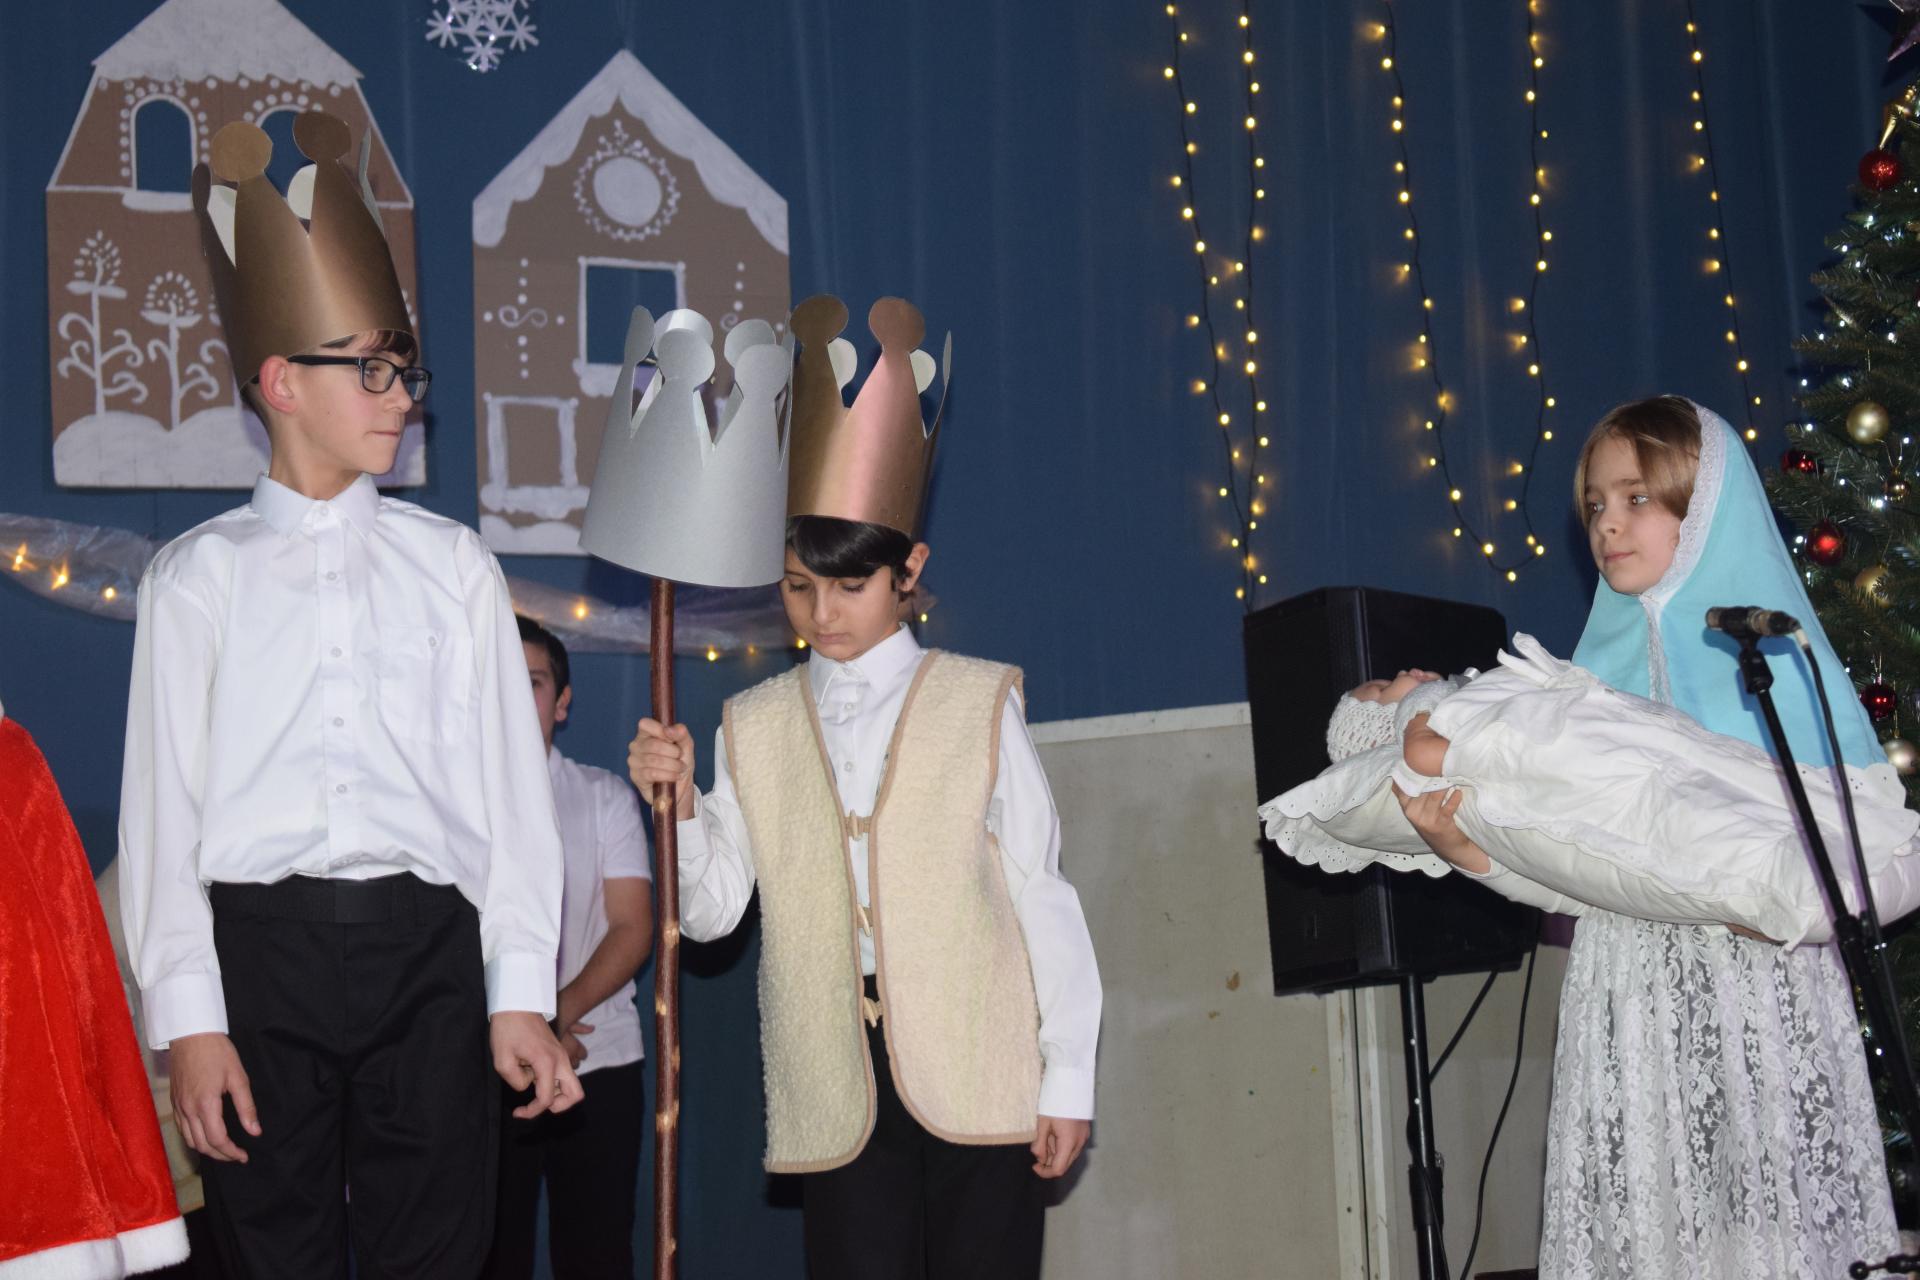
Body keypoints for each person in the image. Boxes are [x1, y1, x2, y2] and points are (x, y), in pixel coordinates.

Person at [117, 110, 577, 1280]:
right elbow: (163, 815)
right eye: (370, 368)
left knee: (441, 1246)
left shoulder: (453, 564)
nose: (399, 394)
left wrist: (519, 989)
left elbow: (509, 798)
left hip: (428, 952)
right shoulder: (196, 577)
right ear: (281, 380)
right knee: (275, 1249)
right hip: (259, 954)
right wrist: (191, 1020)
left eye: (403, 369)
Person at [628, 295, 1102, 1280]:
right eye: (800, 586)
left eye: (850, 585)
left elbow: (1041, 890)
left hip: (980, 1060)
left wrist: (1069, 1075)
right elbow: (712, 917)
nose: (823, 611)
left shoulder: (978, 701)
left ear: (908, 570)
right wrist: (679, 809)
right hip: (833, 1079)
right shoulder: (753, 722)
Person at [1375, 398, 1897, 1276]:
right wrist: (1470, 850)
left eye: (1637, 498)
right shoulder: (1581, 691)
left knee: (1772, 1231)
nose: (1607, 525)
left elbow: (1854, 860)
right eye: (1595, 506)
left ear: (1707, 509)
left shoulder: (1777, 672)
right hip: (1627, 995)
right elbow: (1573, 869)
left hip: (1759, 996)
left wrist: (1775, 906)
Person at [485, 618, 654, 1280]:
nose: (513, 693)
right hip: (483, 1066)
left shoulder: (603, 797)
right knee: (487, 1254)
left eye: (531, 681)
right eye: (501, 679)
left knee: (596, 1255)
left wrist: (551, 1018)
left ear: (562, 701)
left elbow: (633, 926)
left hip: (598, 1057)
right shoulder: (450, 805)